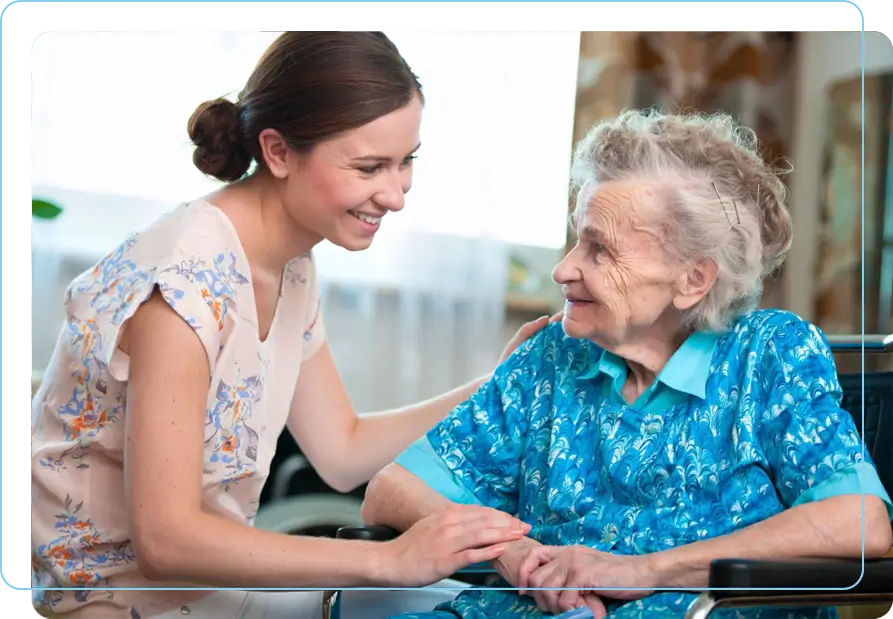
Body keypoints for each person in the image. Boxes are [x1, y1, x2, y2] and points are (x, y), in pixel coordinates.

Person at [30, 31, 549, 619]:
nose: (397, 193)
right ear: (277, 152)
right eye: (369, 166)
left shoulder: (290, 262)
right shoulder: (182, 284)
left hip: (203, 591)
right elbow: (165, 540)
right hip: (105, 598)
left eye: (407, 161)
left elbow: (342, 450)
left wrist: (502, 380)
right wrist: (389, 559)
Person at [361, 109, 893, 619]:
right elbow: (392, 491)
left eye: (600, 250)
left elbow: (858, 522)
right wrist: (518, 559)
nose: (563, 269)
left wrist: (644, 571)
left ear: (693, 280)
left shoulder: (770, 353)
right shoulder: (552, 355)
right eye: (576, 239)